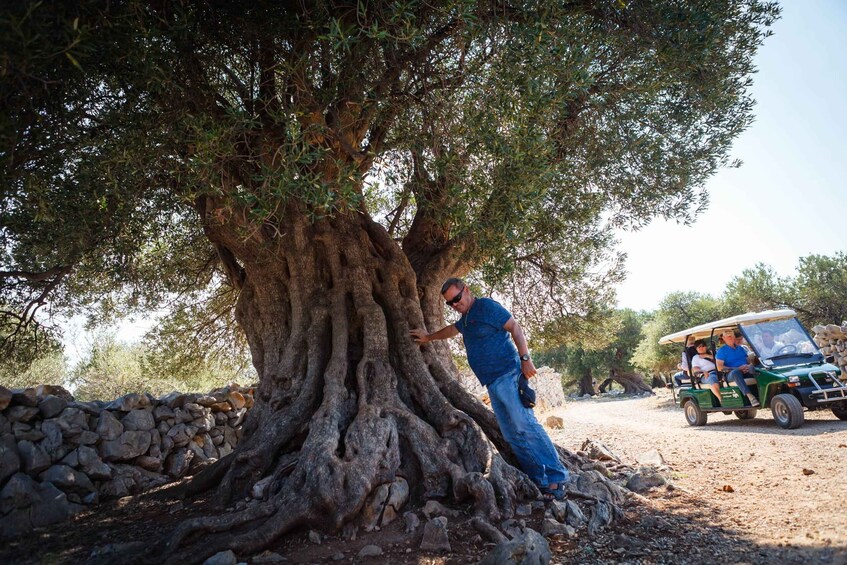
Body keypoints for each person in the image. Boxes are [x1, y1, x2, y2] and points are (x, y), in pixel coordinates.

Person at [410, 278, 569, 501]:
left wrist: (525, 359)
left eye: (456, 298)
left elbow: (514, 326)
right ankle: (538, 479)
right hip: (492, 383)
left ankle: (557, 477)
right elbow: (451, 330)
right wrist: (428, 338)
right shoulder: (465, 320)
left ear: (466, 290)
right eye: (450, 303)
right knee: (512, 435)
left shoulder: (485, 307)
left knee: (525, 425)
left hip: (508, 375)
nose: (455, 305)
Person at [716, 329, 760, 406]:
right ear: (724, 338)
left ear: (734, 337)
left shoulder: (741, 348)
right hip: (730, 373)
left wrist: (749, 365)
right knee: (736, 373)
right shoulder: (721, 351)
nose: (730, 338)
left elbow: (748, 361)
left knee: (756, 369)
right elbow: (720, 367)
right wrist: (738, 368)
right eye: (728, 336)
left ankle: (762, 392)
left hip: (745, 370)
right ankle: (750, 397)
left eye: (731, 336)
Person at [690, 340, 721, 405]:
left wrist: (707, 355)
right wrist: (703, 371)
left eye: (703, 346)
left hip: (719, 371)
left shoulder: (712, 354)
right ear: (696, 349)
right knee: (712, 379)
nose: (701, 348)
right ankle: (721, 399)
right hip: (707, 374)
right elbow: (695, 369)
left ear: (706, 347)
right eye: (699, 347)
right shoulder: (696, 357)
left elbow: (719, 360)